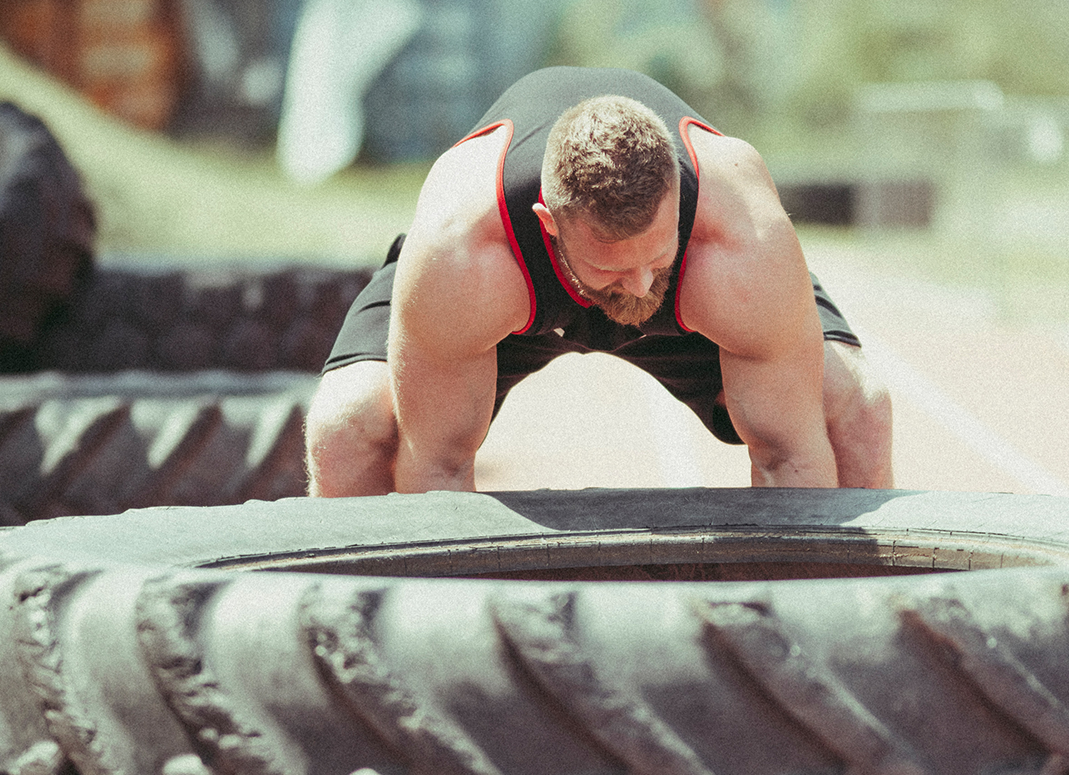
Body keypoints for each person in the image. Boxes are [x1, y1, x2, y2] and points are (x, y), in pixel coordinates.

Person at [305, 66, 893, 496]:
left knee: (854, 406)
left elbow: (791, 458)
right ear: (549, 227)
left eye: (656, 256)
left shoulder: (738, 241)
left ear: (679, 208)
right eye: (613, 265)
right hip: (508, 296)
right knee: (349, 426)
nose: (638, 286)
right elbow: (436, 470)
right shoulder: (467, 252)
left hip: (694, 296)